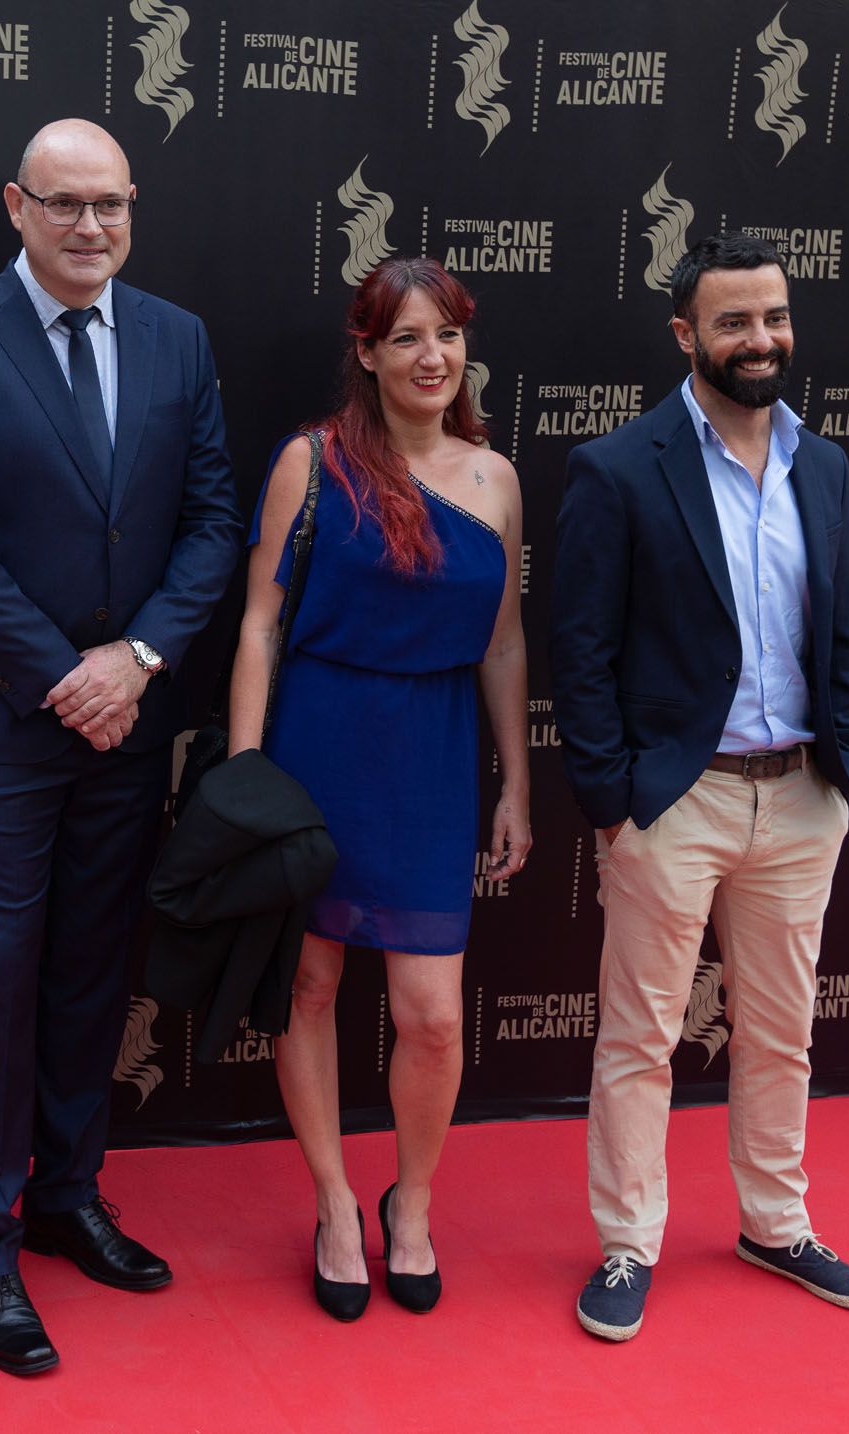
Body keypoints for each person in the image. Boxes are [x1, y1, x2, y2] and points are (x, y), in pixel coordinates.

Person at [0, 118, 240, 1375]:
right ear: (16, 207)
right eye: (65, 204)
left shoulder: (176, 338)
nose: (90, 226)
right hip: (4, 727)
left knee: (94, 968)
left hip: (130, 723)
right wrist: (62, 677)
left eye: (111, 204)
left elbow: (213, 522)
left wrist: (136, 663)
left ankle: (66, 1192)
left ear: (132, 208)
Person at [550, 231, 849, 1343]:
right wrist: (614, 802)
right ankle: (629, 1242)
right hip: (673, 800)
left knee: (781, 1034)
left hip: (800, 796)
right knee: (641, 1036)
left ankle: (776, 1226)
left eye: (774, 317)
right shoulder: (619, 467)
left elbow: (837, 633)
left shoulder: (823, 465)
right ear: (686, 334)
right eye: (734, 320)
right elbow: (579, 653)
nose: (761, 339)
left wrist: (838, 774)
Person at [228, 255, 530, 1321]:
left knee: (432, 1016)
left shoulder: (495, 482)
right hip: (317, 748)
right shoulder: (310, 463)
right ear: (366, 352)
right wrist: (244, 771)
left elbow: (502, 647)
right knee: (307, 988)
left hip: (434, 759)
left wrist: (516, 788)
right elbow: (260, 624)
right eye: (405, 337)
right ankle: (332, 1201)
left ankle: (414, 1201)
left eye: (445, 335)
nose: (431, 356)